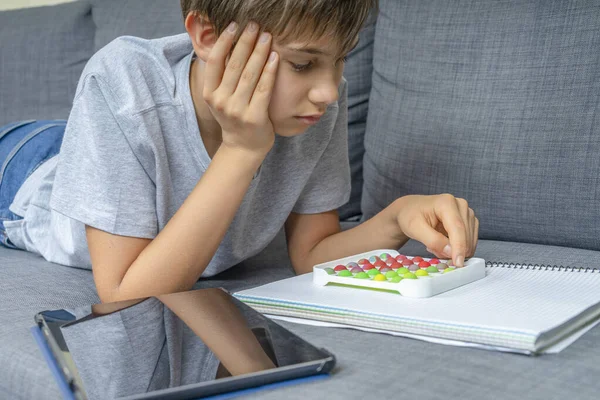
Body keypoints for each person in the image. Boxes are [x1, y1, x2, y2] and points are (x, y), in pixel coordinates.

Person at [0, 0, 478, 304]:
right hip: (29, 170)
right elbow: (126, 293)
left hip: (97, 143)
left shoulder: (315, 106)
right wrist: (241, 150)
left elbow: (312, 254)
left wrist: (394, 218)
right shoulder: (121, 80)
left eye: (339, 62)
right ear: (208, 38)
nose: (329, 92)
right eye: (303, 63)